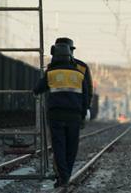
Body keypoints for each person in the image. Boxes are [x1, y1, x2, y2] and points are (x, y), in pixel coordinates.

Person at [33, 42, 90, 186]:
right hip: (74, 117)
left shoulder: (51, 73)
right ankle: (67, 175)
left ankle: (63, 176)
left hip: (56, 117)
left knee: (59, 147)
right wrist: (83, 116)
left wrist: (35, 91)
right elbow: (85, 97)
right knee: (72, 147)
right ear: (70, 55)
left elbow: (38, 89)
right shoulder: (79, 74)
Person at [54, 37, 93, 123]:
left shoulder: (52, 68)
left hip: (56, 110)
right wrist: (85, 109)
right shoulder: (82, 67)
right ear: (71, 51)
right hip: (75, 110)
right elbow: (88, 91)